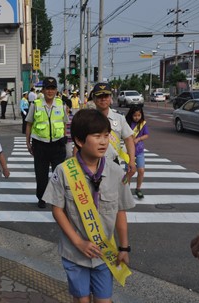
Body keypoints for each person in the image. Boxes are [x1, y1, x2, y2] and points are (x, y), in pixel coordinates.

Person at [43, 109, 135, 303]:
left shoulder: (116, 172)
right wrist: (78, 242)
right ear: (79, 140)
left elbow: (120, 211)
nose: (103, 141)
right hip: (74, 253)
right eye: (96, 136)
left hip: (104, 253)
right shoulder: (64, 171)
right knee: (82, 300)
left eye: (106, 136)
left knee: (104, 300)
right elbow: (57, 210)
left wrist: (124, 247)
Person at [25, 76, 67, 208]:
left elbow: (64, 123)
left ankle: (57, 198)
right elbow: (29, 124)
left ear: (56, 90)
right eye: (47, 88)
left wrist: (64, 138)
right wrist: (28, 143)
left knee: (59, 174)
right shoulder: (35, 104)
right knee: (41, 175)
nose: (50, 91)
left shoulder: (61, 104)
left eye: (53, 88)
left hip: (57, 144)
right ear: (42, 90)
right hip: (40, 144)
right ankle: (42, 198)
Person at [92, 82, 136, 183]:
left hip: (113, 162)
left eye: (106, 96)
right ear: (94, 99)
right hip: (92, 163)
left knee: (115, 192)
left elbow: (129, 139)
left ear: (110, 98)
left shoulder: (119, 118)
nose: (103, 99)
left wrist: (132, 162)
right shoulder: (88, 118)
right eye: (99, 96)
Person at [125, 106, 149, 199]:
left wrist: (139, 138)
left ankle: (138, 189)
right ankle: (126, 189)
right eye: (135, 115)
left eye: (139, 115)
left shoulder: (142, 124)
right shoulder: (127, 124)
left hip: (139, 151)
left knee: (141, 170)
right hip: (128, 152)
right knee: (129, 172)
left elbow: (146, 135)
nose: (137, 117)